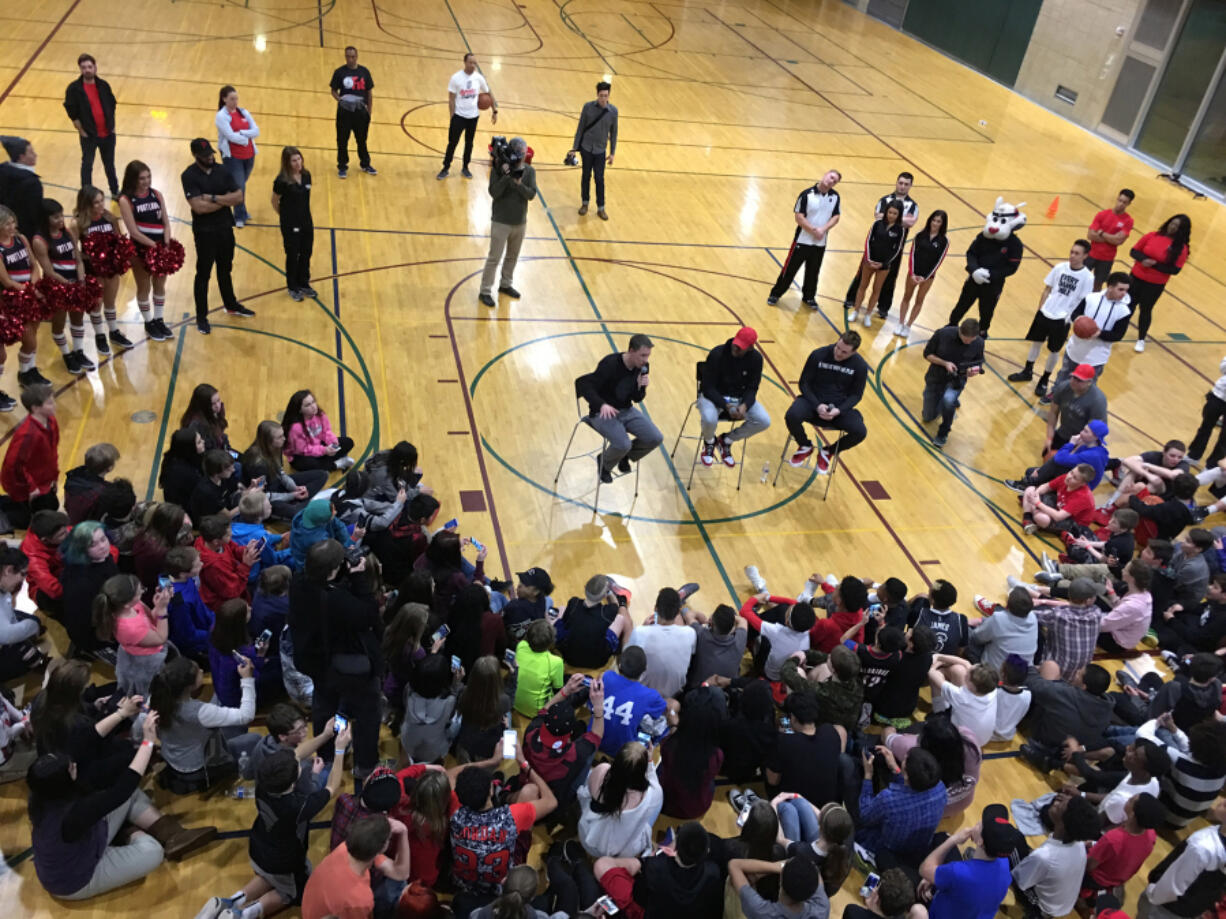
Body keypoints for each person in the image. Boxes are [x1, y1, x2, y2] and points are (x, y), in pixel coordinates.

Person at [26, 715, 217, 901]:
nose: (74, 764)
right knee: (153, 852)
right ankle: (128, 833)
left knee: (126, 795)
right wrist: (148, 742)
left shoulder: (42, 795)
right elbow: (123, 788)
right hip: (75, 880)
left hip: (84, 843)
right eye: (70, 768)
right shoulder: (72, 813)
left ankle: (173, 835)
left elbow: (86, 742)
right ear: (63, 782)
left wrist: (121, 713)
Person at [200, 730, 350, 919]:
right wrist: (339, 750)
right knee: (292, 893)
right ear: (293, 781)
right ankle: (243, 914)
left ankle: (228, 902)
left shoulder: (264, 780)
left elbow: (296, 755)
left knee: (268, 878)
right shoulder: (297, 807)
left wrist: (326, 734)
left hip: (258, 848)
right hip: (284, 862)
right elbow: (332, 786)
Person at [449, 763, 557, 917]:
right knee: (531, 792)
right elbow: (551, 801)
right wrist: (526, 766)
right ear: (491, 790)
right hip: (504, 885)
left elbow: (448, 774)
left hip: (466, 884)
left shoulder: (454, 811)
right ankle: (504, 790)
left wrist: (490, 760)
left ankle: (503, 788)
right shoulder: (509, 817)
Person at [144, 655, 255, 792]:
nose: (202, 670)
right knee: (254, 739)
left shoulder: (155, 699)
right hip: (198, 767)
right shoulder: (199, 712)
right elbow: (247, 716)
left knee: (221, 705)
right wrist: (247, 679)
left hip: (174, 758)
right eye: (198, 672)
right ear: (189, 686)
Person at [180, 137, 254, 335]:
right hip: (204, 233)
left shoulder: (222, 170)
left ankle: (230, 304)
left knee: (225, 269)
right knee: (203, 274)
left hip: (224, 228)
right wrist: (225, 201)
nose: (210, 157)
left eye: (211, 153)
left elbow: (239, 197)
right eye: (205, 155)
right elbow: (198, 207)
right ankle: (201, 317)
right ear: (196, 156)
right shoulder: (189, 175)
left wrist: (213, 198)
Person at [1006, 239, 1095, 388]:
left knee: (1054, 350)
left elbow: (1083, 301)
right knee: (1036, 343)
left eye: (1077, 253)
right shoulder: (1060, 267)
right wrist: (1041, 309)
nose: (1072, 255)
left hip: (1062, 319)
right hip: (1045, 312)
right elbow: (1047, 288)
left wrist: (1070, 318)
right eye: (1071, 252)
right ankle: (1027, 371)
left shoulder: (1088, 277)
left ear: (1085, 256)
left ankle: (1045, 379)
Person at [592, 820, 724, 919]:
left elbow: (638, 896)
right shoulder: (714, 872)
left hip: (648, 911)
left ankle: (654, 851)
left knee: (602, 865)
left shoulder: (655, 868)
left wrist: (644, 862)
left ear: (675, 848)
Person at [581, 333, 664, 484]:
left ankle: (624, 456)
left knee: (655, 438)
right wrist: (602, 405)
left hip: (626, 410)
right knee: (623, 444)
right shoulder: (610, 364)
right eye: (642, 355)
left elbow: (637, 398)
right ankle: (604, 464)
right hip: (601, 412)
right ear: (631, 351)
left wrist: (641, 387)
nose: (646, 360)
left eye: (648, 356)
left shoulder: (642, 368)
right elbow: (587, 387)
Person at [785, 330, 868, 473]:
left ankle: (829, 451)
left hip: (838, 409)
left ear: (854, 352)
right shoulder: (818, 354)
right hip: (813, 403)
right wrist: (817, 405)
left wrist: (839, 410)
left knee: (860, 432)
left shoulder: (860, 366)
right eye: (838, 347)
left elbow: (856, 395)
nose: (838, 353)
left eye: (844, 352)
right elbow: (804, 383)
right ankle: (805, 445)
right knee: (792, 415)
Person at [30, 198, 98, 374]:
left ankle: (79, 351)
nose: (61, 220)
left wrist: (81, 279)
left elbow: (77, 257)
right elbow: (48, 270)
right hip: (57, 287)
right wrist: (67, 284)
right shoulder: (39, 240)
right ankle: (67, 355)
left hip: (76, 283)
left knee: (78, 320)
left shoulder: (66, 231)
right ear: (45, 219)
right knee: (58, 325)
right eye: (55, 217)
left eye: (61, 215)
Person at [1040, 273, 1134, 399]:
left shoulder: (1124, 311)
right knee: (1064, 375)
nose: (1124, 293)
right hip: (1075, 348)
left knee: (1087, 385)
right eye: (1120, 289)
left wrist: (1098, 333)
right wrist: (1080, 322)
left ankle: (1080, 404)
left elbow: (1118, 335)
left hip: (1097, 356)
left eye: (1126, 290)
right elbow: (1074, 314)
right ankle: (1056, 394)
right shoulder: (1091, 298)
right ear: (1110, 287)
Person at [301, 815, 412, 919]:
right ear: (382, 848)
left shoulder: (346, 847)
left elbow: (401, 873)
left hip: (311, 906)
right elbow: (402, 874)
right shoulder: (360, 900)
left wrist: (404, 832)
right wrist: (403, 833)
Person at [844, 171, 919, 322]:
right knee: (862, 275)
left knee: (890, 277)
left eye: (906, 184)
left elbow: (911, 222)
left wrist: (894, 218)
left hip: (894, 249)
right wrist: (900, 218)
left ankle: (883, 307)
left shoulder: (913, 205)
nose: (903, 186)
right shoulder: (884, 199)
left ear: (910, 186)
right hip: (875, 246)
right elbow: (877, 216)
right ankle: (851, 299)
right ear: (896, 182)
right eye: (900, 183)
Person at [1013, 793, 1102, 919]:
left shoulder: (1045, 856)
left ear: (1064, 822)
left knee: (1011, 843)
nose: (1056, 801)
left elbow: (1019, 880)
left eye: (1060, 805)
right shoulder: (1078, 844)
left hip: (1041, 907)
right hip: (1061, 906)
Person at [920, 804, 1016, 919]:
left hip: (940, 913)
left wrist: (953, 840)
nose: (979, 821)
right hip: (974, 909)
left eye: (982, 823)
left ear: (980, 841)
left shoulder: (958, 872)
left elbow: (924, 870)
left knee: (916, 904)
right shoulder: (1004, 861)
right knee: (941, 837)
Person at [856, 746, 947, 868]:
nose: (903, 758)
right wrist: (896, 769)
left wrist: (868, 775)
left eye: (905, 759)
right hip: (917, 848)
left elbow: (864, 816)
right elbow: (913, 790)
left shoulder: (889, 799)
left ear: (907, 775)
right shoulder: (940, 788)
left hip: (885, 850)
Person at [1137, 796, 1226, 918]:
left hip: (1165, 908)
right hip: (1191, 908)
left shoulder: (1203, 847)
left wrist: (1152, 892)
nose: (1223, 801)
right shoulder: (1211, 844)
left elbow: (1171, 887)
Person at [117, 160, 175, 340]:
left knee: (160, 285)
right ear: (133, 179)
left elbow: (166, 222)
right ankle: (149, 322)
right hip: (140, 249)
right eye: (142, 178)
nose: (146, 181)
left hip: (160, 248)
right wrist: (154, 246)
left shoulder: (157, 195)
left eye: (148, 177)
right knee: (144, 286)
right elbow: (133, 231)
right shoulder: (125, 200)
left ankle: (159, 319)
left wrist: (166, 244)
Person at [767, 168, 841, 309]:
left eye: (835, 180)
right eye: (831, 177)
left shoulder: (835, 197)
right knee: (790, 269)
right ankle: (776, 294)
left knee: (813, 271)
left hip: (820, 243)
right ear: (825, 174)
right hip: (802, 241)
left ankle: (809, 297)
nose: (831, 181)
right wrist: (813, 230)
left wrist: (823, 230)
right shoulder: (807, 194)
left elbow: (836, 216)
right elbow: (799, 217)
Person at [697, 326, 770, 468]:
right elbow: (707, 388)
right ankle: (709, 442)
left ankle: (726, 440)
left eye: (740, 347)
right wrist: (726, 405)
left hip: (739, 398)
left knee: (764, 420)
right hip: (713, 397)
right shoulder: (717, 354)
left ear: (750, 347)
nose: (736, 348)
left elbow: (752, 388)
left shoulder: (756, 360)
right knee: (709, 418)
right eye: (736, 345)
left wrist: (745, 405)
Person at [579, 738, 663, 858]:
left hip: (589, 838)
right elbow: (654, 783)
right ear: (642, 770)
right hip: (624, 852)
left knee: (588, 777)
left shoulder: (602, 771)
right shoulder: (653, 792)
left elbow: (590, 787)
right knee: (657, 802)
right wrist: (649, 762)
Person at [478, 136, 536, 308]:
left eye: (525, 153)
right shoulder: (498, 169)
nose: (525, 156)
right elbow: (494, 192)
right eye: (522, 153)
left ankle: (506, 284)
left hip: (520, 222)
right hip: (501, 221)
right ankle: (485, 290)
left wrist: (518, 184)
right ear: (515, 153)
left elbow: (531, 194)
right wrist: (506, 177)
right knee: (494, 257)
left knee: (512, 256)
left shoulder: (530, 172)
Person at [763, 693, 844, 809]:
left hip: (796, 809)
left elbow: (772, 781)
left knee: (770, 767)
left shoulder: (784, 741)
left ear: (793, 718)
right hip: (826, 808)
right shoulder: (831, 732)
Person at [0, 201, 45, 397]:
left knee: (34, 333)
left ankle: (29, 371)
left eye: (13, 222)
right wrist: (26, 290)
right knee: (29, 340)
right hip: (13, 298)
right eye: (7, 224)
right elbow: (6, 280)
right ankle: (24, 372)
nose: (12, 227)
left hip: (29, 293)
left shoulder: (21, 239)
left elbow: (34, 266)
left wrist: (34, 285)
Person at [1129, 213, 1191, 352]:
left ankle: (1141, 339)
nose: (1172, 227)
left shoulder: (1181, 248)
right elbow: (1134, 251)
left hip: (1154, 284)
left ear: (1182, 230)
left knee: (1145, 310)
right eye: (1172, 223)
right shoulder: (1152, 235)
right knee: (1128, 305)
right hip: (1135, 277)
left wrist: (1153, 265)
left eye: (1177, 226)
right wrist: (1143, 260)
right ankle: (1116, 329)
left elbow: (1175, 270)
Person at [0, 384, 59, 527]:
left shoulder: (51, 421)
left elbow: (52, 452)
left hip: (42, 479)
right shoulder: (27, 435)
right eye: (50, 403)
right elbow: (14, 466)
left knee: (51, 507)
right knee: (26, 521)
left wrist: (54, 477)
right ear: (35, 408)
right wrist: (31, 488)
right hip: (22, 483)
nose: (55, 405)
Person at [658, 689, 723, 818]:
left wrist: (674, 726)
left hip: (666, 803)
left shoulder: (669, 745)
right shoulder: (716, 755)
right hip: (698, 807)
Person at [1084, 793, 1162, 900]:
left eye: (1131, 800)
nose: (1128, 799)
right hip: (1117, 878)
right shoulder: (1151, 834)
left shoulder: (1114, 839)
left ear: (1133, 814)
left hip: (1096, 878)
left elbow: (1089, 866)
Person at [921, 318, 984, 447]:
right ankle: (946, 404)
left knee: (948, 400)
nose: (967, 342)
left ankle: (943, 432)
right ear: (959, 331)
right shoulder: (943, 334)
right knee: (928, 416)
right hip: (936, 376)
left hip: (957, 380)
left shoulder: (978, 342)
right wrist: (945, 363)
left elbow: (979, 362)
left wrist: (974, 371)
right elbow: (927, 354)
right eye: (964, 338)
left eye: (970, 340)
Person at [62, 54, 118, 196]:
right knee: (87, 165)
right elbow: (71, 111)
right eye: (83, 67)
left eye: (89, 67)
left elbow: (112, 104)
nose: (87, 70)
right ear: (80, 69)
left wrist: (112, 126)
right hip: (89, 136)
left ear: (95, 67)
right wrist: (81, 130)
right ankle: (87, 195)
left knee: (110, 165)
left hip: (108, 134)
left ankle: (115, 191)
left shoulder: (103, 85)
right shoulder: (74, 89)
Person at [627, 587, 698, 698]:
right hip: (674, 694)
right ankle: (678, 598)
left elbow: (627, 655)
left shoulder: (641, 632)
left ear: (655, 609)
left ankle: (621, 602)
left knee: (628, 633)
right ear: (678, 612)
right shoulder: (690, 633)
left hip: (643, 693)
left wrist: (643, 626)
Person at [439, 52, 497, 181]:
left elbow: (488, 92)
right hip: (459, 117)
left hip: (473, 117)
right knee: (452, 143)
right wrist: (452, 117)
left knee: (469, 143)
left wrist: (494, 110)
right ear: (465, 62)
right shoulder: (456, 78)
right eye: (470, 62)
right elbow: (451, 99)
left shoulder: (479, 78)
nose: (473, 65)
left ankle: (465, 167)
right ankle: (445, 168)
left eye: (474, 63)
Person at [556, 573, 633, 669]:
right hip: (598, 662)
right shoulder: (608, 611)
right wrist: (609, 594)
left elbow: (566, 621)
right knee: (621, 619)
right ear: (604, 595)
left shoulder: (573, 602)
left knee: (562, 609)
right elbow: (615, 606)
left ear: (585, 588)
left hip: (569, 658)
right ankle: (624, 653)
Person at [850, 200, 906, 329]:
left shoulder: (900, 230)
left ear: (899, 215)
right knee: (862, 286)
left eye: (895, 213)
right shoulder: (877, 224)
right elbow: (868, 241)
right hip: (869, 261)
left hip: (883, 266)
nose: (891, 215)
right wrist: (869, 259)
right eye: (890, 212)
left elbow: (897, 249)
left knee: (876, 290)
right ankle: (856, 311)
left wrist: (884, 263)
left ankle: (868, 314)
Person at [568, 80, 618, 219]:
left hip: (600, 151)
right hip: (586, 148)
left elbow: (614, 133)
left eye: (606, 95)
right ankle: (585, 203)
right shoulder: (588, 107)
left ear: (609, 96)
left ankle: (601, 207)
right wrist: (574, 147)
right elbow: (580, 128)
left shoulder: (613, 112)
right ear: (597, 94)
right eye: (601, 95)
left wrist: (612, 153)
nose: (603, 98)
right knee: (585, 176)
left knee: (599, 178)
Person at [271, 147, 314, 301]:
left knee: (306, 252)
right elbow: (274, 201)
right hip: (290, 224)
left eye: (299, 159)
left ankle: (304, 283)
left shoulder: (307, 175)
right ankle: (292, 286)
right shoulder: (282, 181)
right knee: (292, 254)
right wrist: (285, 217)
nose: (298, 163)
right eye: (294, 161)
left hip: (306, 221)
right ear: (287, 163)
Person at [896, 209, 948, 336]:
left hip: (928, 277)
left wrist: (927, 277)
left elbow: (939, 261)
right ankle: (900, 323)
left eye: (938, 221)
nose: (935, 223)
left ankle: (908, 325)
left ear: (942, 224)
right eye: (933, 220)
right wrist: (912, 273)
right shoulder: (920, 235)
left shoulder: (944, 241)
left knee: (919, 300)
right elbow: (912, 254)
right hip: (913, 273)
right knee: (906, 297)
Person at [728, 854, 828, 919]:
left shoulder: (761, 912)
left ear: (780, 879)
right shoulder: (822, 908)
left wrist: (764, 872)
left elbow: (734, 864)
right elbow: (811, 866)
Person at [214, 85, 258, 228]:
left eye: (236, 98)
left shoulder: (244, 112)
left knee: (241, 185)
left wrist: (243, 134)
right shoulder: (221, 116)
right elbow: (230, 136)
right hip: (233, 157)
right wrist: (246, 136)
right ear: (224, 99)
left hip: (249, 155)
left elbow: (256, 131)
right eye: (232, 99)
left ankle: (241, 210)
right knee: (239, 186)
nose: (235, 102)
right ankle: (238, 216)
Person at [281, 389, 356, 472]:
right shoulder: (296, 428)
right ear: (300, 410)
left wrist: (332, 440)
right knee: (310, 464)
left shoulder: (320, 414)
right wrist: (324, 450)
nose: (313, 406)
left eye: (313, 402)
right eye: (308, 405)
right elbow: (303, 450)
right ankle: (336, 464)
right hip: (300, 455)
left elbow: (326, 431)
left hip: (318, 445)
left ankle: (325, 464)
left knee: (348, 442)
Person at [330, 46, 376, 179]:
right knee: (342, 140)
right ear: (345, 57)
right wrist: (341, 100)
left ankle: (365, 164)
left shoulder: (364, 72)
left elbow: (369, 92)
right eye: (348, 56)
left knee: (362, 140)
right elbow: (333, 91)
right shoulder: (339, 72)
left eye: (353, 56)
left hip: (360, 112)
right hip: (344, 113)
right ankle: (342, 166)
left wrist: (369, 111)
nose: (350, 59)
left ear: (357, 56)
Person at [967, 586, 1036, 670]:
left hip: (992, 675)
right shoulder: (1033, 617)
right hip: (1019, 675)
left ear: (1007, 605)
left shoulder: (998, 619)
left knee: (965, 632)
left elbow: (976, 638)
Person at [1085, 189, 1135, 289]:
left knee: (1098, 285)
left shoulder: (1128, 221)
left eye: (1124, 202)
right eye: (1120, 200)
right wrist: (1111, 238)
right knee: (1080, 280)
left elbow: (1119, 241)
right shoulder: (1102, 214)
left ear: (1129, 204)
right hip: (1091, 254)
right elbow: (1090, 235)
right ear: (1117, 198)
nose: (1121, 204)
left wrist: (1101, 233)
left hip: (1107, 259)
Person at [22, 509, 67, 615]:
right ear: (45, 540)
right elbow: (53, 589)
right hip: (44, 589)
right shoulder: (33, 557)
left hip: (64, 573)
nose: (68, 534)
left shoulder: (55, 529)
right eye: (62, 534)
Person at [0, 135, 43, 239]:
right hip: (27, 233)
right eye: (31, 152)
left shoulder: (2, 170)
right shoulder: (32, 183)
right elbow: (36, 214)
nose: (35, 155)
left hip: (4, 231)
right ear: (21, 157)